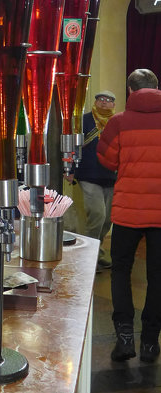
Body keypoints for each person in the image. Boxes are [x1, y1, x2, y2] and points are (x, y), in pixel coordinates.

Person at [97, 68, 161, 363]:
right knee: (157, 277)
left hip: (126, 213)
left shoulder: (119, 122)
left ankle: (124, 339)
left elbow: (107, 160)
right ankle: (150, 342)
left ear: (130, 90)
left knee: (120, 272)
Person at [72, 90, 117, 270]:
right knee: (97, 215)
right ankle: (88, 255)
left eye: (108, 100)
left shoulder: (117, 122)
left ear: (114, 104)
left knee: (108, 219)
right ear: (95, 101)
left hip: (112, 175)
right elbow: (73, 146)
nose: (104, 103)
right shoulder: (84, 120)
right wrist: (70, 169)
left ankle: (96, 252)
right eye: (101, 99)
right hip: (89, 174)